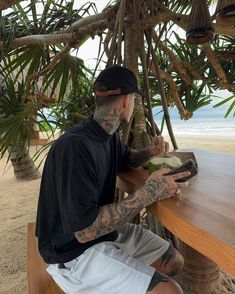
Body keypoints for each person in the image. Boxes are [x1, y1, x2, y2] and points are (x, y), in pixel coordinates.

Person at [35, 65, 190, 294]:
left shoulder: (105, 135)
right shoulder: (76, 147)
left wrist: (149, 152)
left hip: (105, 233)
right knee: (170, 291)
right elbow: (84, 230)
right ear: (127, 101)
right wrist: (149, 192)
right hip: (72, 252)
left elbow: (127, 159)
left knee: (172, 261)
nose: (135, 104)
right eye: (135, 100)